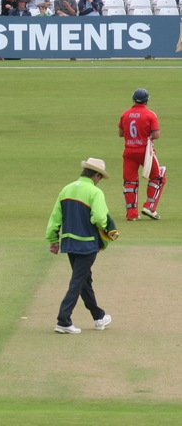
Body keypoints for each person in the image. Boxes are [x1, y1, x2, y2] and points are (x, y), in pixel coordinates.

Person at [45, 158, 115, 334]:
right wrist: (108, 229)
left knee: (84, 280)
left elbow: (55, 217)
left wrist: (53, 239)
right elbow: (99, 218)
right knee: (78, 281)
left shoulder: (66, 189)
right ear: (96, 175)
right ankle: (63, 319)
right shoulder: (95, 192)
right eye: (100, 177)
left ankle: (98, 317)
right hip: (87, 244)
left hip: (69, 243)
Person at [118, 88, 165, 221]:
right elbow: (156, 135)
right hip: (145, 153)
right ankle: (149, 206)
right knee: (158, 176)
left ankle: (131, 213)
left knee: (130, 181)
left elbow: (121, 133)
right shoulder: (150, 115)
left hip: (129, 152)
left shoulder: (125, 114)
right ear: (146, 100)